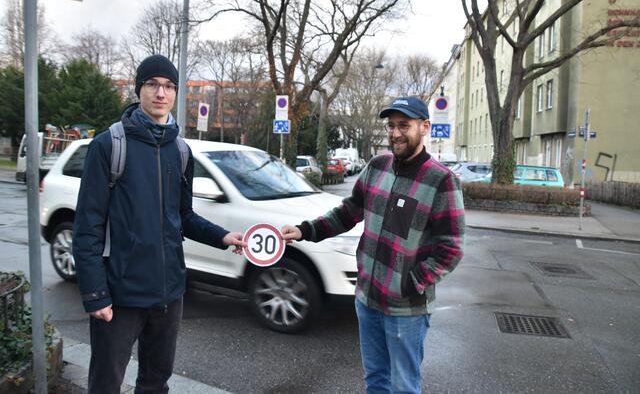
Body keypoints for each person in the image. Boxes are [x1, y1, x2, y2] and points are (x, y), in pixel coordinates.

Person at [73, 54, 246, 394]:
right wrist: (95, 295)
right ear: (139, 89)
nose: (160, 93)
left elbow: (184, 217)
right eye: (152, 84)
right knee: (105, 384)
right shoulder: (109, 145)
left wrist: (224, 237)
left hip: (169, 294)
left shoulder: (180, 151)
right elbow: (87, 227)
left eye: (168, 86)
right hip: (120, 295)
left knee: (155, 384)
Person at [282, 96, 465, 393]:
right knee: (375, 381)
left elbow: (452, 247)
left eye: (403, 125)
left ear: (425, 127)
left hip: (406, 309)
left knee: (404, 386)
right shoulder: (377, 166)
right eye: (391, 126)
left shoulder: (441, 180)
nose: (394, 133)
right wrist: (305, 231)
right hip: (367, 300)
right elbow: (347, 212)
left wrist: (411, 282)